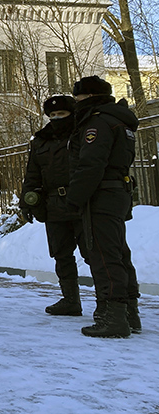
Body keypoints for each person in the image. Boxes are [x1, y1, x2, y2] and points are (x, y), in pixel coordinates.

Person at [67, 76, 141, 338]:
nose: (76, 104)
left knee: (103, 254)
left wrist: (74, 197)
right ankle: (129, 312)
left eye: (78, 98)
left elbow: (91, 164)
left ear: (88, 97)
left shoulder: (97, 123)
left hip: (101, 194)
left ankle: (112, 316)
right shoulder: (120, 120)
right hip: (117, 192)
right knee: (118, 252)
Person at [20, 95, 89, 317]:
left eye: (62, 114)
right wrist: (27, 201)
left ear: (72, 114)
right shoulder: (41, 141)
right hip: (53, 205)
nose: (57, 118)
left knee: (92, 253)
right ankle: (70, 299)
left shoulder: (82, 134)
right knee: (61, 254)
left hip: (81, 202)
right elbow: (32, 174)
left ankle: (106, 302)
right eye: (52, 115)